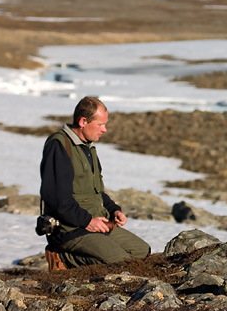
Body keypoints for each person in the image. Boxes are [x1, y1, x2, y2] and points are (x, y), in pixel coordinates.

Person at [40, 96, 150, 269]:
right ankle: (63, 258)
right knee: (122, 263)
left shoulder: (88, 148)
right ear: (83, 121)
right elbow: (58, 200)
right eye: (100, 124)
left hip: (96, 223)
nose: (104, 130)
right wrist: (88, 221)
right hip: (69, 230)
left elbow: (95, 192)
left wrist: (114, 210)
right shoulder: (59, 147)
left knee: (142, 252)